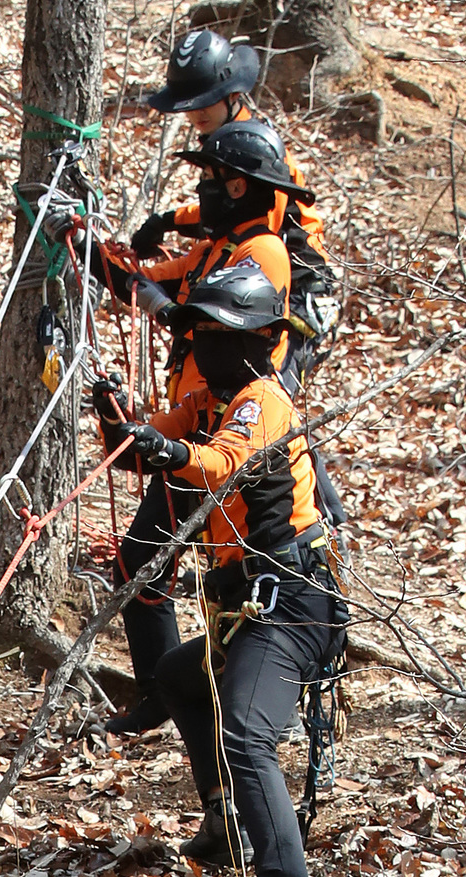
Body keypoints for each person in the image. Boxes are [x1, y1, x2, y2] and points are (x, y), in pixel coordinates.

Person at [94, 261, 347, 877]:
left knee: (246, 732)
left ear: (257, 338)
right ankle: (224, 821)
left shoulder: (262, 401)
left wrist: (171, 449)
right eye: (196, 331)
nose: (202, 344)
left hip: (294, 604)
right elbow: (142, 448)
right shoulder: (213, 398)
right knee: (179, 677)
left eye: (215, 332)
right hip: (253, 607)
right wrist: (119, 420)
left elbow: (219, 463)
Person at [86, 123, 301, 733]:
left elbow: (182, 305)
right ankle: (171, 692)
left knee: (216, 570)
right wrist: (86, 246)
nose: (201, 191)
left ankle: (225, 703)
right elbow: (153, 288)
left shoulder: (257, 253)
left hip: (224, 444)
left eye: (210, 180)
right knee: (146, 566)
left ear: (238, 186)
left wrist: (171, 444)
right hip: (192, 431)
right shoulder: (217, 247)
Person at [131, 31, 339, 395]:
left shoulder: (258, 153)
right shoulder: (223, 141)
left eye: (205, 102)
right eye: (188, 103)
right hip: (257, 284)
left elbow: (253, 227)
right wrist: (167, 222)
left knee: (262, 402)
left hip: (297, 293)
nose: (195, 113)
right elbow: (221, 215)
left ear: (231, 95)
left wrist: (171, 222)